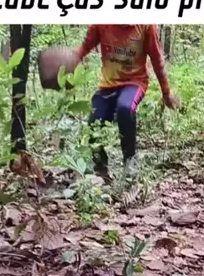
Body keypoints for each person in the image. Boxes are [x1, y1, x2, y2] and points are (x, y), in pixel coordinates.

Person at [74, 25, 179, 182]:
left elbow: (157, 60)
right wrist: (69, 62)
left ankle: (130, 161)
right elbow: (84, 47)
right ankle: (100, 169)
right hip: (107, 85)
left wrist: (166, 92)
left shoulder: (146, 26)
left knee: (125, 107)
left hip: (135, 82)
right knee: (94, 121)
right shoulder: (102, 24)